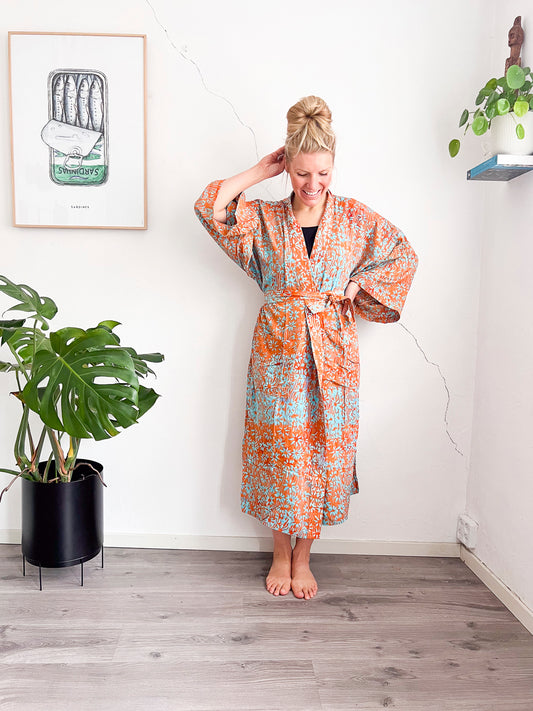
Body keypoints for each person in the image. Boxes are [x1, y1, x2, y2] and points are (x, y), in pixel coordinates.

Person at [194, 96, 418, 600]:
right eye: (301, 173)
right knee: (280, 449)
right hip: (278, 349)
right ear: (288, 167)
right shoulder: (265, 219)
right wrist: (260, 170)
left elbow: (403, 254)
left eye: (323, 173)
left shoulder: (355, 218)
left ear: (334, 166)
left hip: (333, 349)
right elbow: (209, 208)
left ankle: (304, 555)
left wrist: (359, 286)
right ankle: (280, 551)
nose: (313, 184)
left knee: (322, 448)